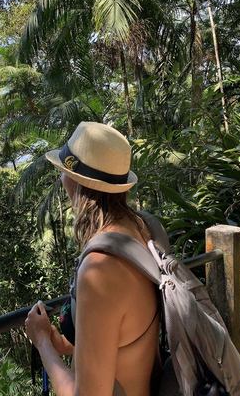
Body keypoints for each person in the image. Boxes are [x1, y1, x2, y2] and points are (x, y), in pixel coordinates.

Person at [25, 122, 162, 396]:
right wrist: (65, 344)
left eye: (63, 173)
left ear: (75, 181)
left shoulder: (100, 268)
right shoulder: (146, 228)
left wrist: (42, 342)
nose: (62, 180)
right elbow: (126, 329)